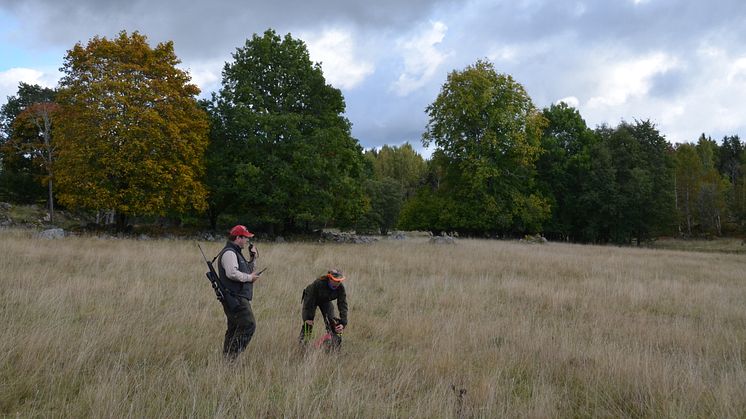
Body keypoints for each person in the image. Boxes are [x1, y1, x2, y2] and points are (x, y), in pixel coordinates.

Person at [217, 225, 261, 359]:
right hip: (235, 297)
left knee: (234, 328)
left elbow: (245, 270)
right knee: (249, 325)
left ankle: (227, 359)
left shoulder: (235, 252)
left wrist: (253, 257)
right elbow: (232, 273)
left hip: (237, 296)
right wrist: (249, 278)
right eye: (245, 237)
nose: (247, 240)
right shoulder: (229, 253)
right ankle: (232, 357)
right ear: (238, 238)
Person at [299, 269, 348, 350]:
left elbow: (343, 304)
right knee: (309, 323)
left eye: (339, 281)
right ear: (330, 278)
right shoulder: (318, 284)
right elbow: (309, 300)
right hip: (311, 299)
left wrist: (343, 322)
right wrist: (308, 317)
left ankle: (334, 348)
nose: (338, 283)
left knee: (334, 324)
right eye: (335, 280)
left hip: (325, 301)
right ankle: (303, 345)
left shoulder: (341, 288)